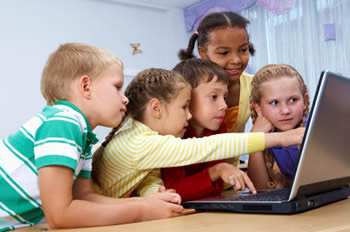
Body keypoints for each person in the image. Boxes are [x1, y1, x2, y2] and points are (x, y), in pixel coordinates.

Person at [0, 43, 184, 231]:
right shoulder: (63, 122)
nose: (125, 99)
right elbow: (59, 215)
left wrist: (146, 203)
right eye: (117, 87)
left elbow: (83, 198)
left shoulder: (83, 135)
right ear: (86, 86)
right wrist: (142, 210)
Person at [91, 67, 305, 199]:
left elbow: (150, 177)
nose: (189, 115)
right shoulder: (139, 142)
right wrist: (282, 138)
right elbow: (205, 148)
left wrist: (156, 196)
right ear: (156, 108)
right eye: (184, 107)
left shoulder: (140, 135)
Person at [161, 58, 256, 201]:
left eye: (224, 97)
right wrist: (216, 171)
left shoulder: (217, 128)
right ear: (186, 98)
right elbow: (174, 191)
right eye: (214, 97)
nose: (224, 105)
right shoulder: (172, 136)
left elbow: (216, 187)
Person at [178, 11, 256, 169]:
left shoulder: (256, 85)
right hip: (189, 182)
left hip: (231, 181)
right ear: (203, 53)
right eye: (224, 53)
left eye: (243, 50)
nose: (236, 60)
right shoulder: (183, 88)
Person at [247, 64, 309, 190]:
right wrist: (254, 139)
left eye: (293, 100)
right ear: (258, 108)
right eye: (274, 103)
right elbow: (261, 191)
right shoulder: (264, 134)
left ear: (305, 101)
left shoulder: (313, 129)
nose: (285, 110)